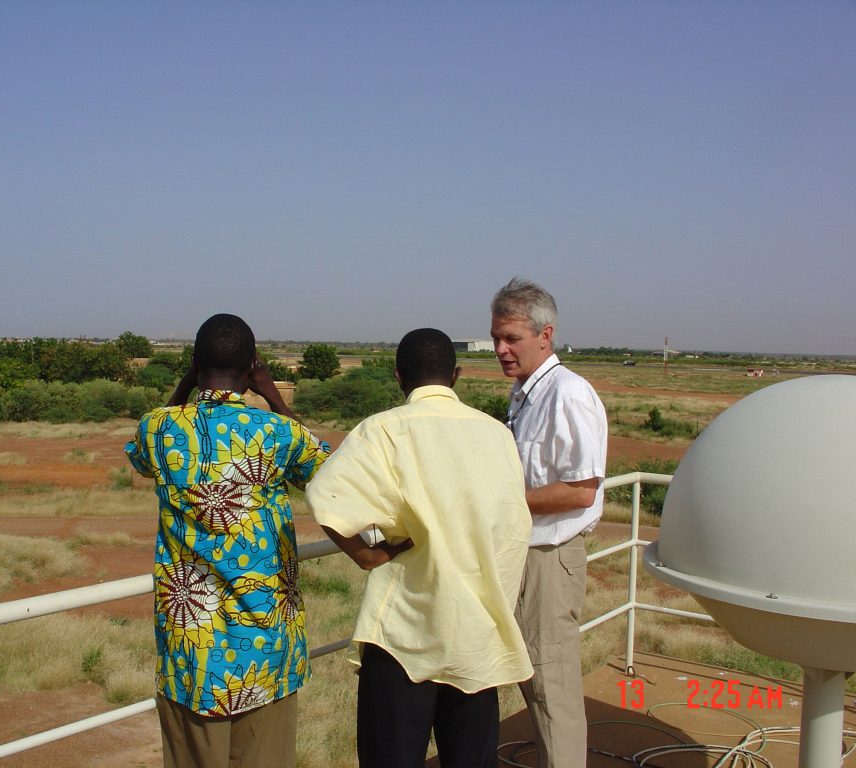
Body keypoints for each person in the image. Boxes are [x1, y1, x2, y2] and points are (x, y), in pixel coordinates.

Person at [306, 328, 534, 768]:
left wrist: (365, 553)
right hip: (477, 638)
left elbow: (325, 497)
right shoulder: (496, 435)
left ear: (398, 377)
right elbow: (510, 527)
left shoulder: (383, 431)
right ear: (456, 375)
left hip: (404, 635)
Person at [125, 313, 330, 768]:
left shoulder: (159, 428)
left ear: (195, 366)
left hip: (192, 657)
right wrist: (273, 393)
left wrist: (186, 387)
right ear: (251, 367)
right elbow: (328, 472)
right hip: (268, 650)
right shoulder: (279, 433)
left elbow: (141, 459)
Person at [490, 278, 608, 768]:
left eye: (512, 338)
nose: (501, 349)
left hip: (550, 558)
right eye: (497, 337)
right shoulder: (525, 395)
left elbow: (583, 489)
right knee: (534, 682)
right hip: (526, 555)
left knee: (551, 684)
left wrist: (503, 502)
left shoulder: (568, 394)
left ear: (546, 335)